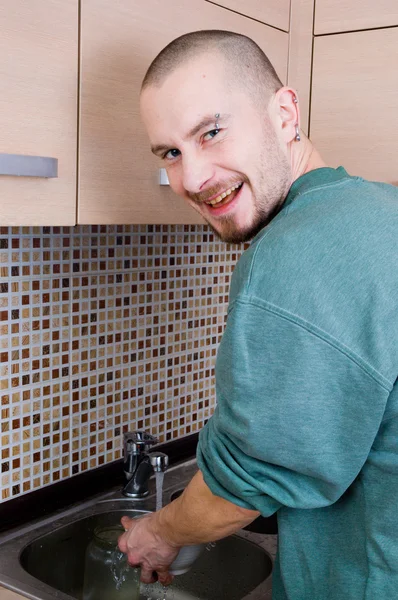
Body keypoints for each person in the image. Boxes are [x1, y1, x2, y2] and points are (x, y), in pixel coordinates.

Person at [118, 30, 398, 599]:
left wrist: (159, 531)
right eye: (171, 152)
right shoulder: (380, 208)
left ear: (285, 113)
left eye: (212, 132)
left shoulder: (293, 256)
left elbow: (241, 488)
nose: (193, 179)